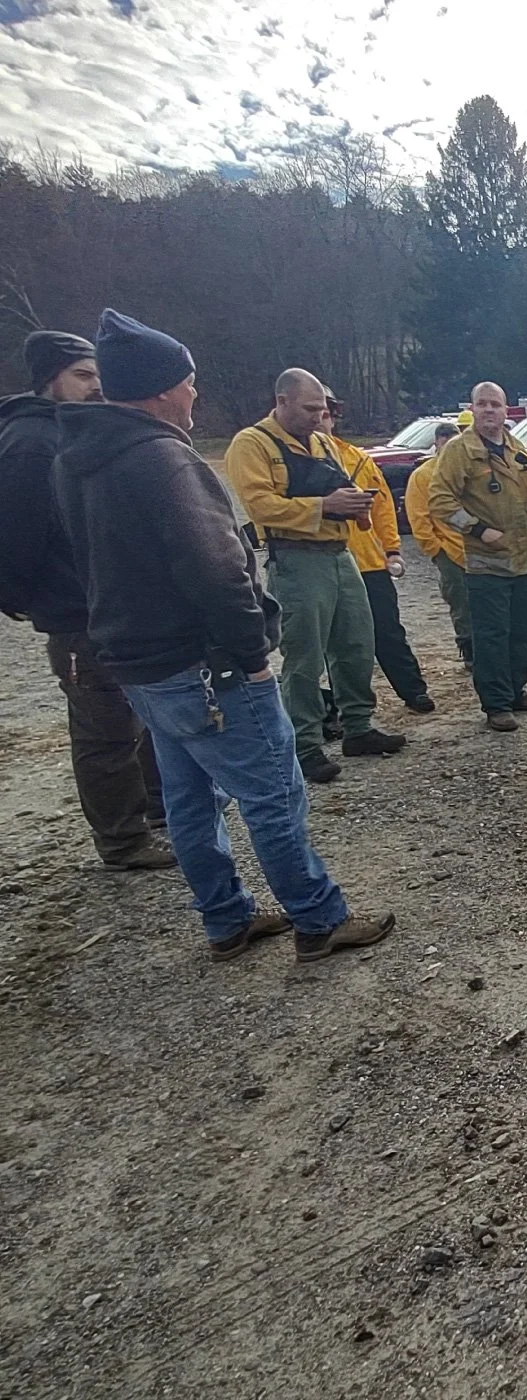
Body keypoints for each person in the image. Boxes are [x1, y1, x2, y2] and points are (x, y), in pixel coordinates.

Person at [52, 310, 393, 962]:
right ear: (158, 390)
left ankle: (226, 919)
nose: (194, 394)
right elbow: (216, 569)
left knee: (187, 797)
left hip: (139, 667)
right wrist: (252, 656)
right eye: (188, 382)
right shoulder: (162, 461)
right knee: (271, 791)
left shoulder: (78, 458)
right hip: (207, 666)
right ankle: (318, 919)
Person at [0, 329, 173, 871]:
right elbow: (15, 536)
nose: (96, 386)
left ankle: (154, 810)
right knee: (104, 729)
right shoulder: (31, 443)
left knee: (135, 714)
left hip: (107, 603)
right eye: (82, 375)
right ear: (49, 377)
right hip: (76, 613)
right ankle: (123, 840)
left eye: (98, 374)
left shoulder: (70, 431)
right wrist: (27, 598)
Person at [224, 368, 404, 782]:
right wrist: (325, 506)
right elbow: (261, 507)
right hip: (296, 559)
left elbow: (340, 488)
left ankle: (358, 727)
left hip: (341, 555)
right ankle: (304, 744)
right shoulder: (252, 444)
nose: (317, 416)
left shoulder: (323, 442)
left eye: (322, 408)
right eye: (309, 408)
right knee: (304, 655)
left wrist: (357, 508)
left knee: (357, 642)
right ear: (282, 401)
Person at [428, 381, 527, 732]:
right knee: (492, 636)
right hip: (487, 563)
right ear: (471, 409)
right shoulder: (458, 451)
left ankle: (515, 691)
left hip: (525, 559)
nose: (488, 410)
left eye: (495, 404)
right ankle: (496, 705)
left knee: (522, 633)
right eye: (481, 404)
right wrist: (478, 529)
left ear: (506, 410)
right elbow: (439, 500)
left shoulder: (517, 449)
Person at [323, 391, 432, 713]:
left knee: (388, 632)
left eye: (327, 413)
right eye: (315, 412)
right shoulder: (297, 461)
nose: (322, 419)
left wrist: (393, 550)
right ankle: (349, 709)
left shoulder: (358, 458)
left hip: (370, 563)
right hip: (327, 563)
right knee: (340, 644)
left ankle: (414, 691)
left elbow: (382, 507)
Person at [406, 422, 473, 668]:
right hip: (449, 550)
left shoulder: (466, 470)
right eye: (444, 443)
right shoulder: (423, 476)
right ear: (436, 443)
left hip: (477, 547)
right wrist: (435, 550)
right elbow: (419, 517)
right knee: (460, 602)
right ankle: (469, 650)